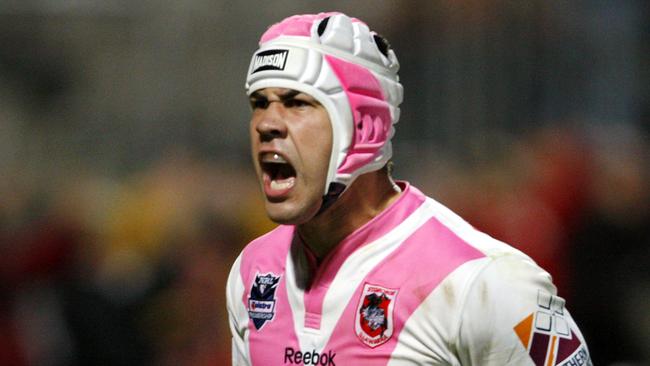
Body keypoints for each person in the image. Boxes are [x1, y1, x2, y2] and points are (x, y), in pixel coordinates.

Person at [226, 12, 591, 365]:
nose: (267, 123)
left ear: (365, 128)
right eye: (259, 104)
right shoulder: (251, 273)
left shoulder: (487, 283)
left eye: (297, 103)